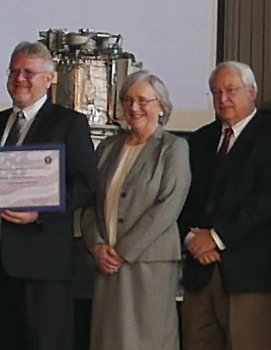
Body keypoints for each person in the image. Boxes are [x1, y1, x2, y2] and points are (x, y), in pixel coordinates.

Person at [0, 41, 98, 350]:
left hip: (42, 265)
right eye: (14, 71)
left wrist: (40, 213)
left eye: (29, 72)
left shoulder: (69, 124)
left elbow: (85, 184)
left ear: (49, 78)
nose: (20, 78)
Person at [177, 61, 271, 350]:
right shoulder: (200, 139)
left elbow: (269, 200)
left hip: (250, 276)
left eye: (230, 90)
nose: (222, 99)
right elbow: (183, 199)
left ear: (252, 92)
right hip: (200, 273)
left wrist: (215, 238)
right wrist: (194, 239)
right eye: (215, 92)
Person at [80, 70, 191, 350]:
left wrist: (123, 251)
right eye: (128, 100)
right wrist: (96, 246)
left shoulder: (174, 148)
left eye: (143, 100)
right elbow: (89, 203)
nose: (134, 107)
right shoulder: (107, 146)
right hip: (106, 263)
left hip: (148, 265)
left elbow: (168, 206)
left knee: (149, 340)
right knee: (109, 340)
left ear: (161, 106)